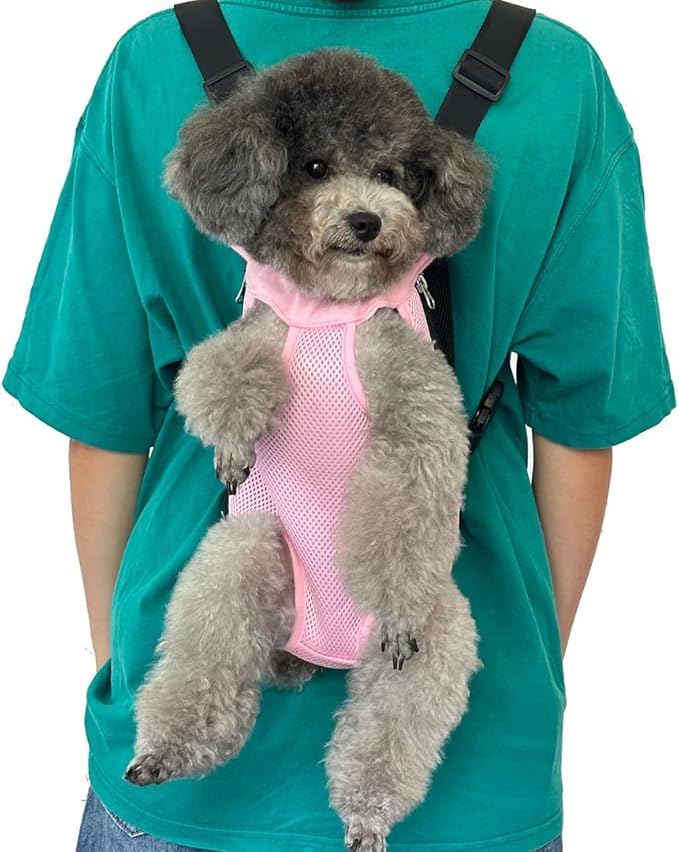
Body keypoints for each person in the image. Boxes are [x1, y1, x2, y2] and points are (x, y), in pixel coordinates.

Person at [2, 0, 674, 849]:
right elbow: (581, 428)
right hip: (482, 762)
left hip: (194, 789)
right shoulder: (558, 76)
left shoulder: (149, 65)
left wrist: (119, 667)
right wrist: (531, 672)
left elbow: (102, 417)